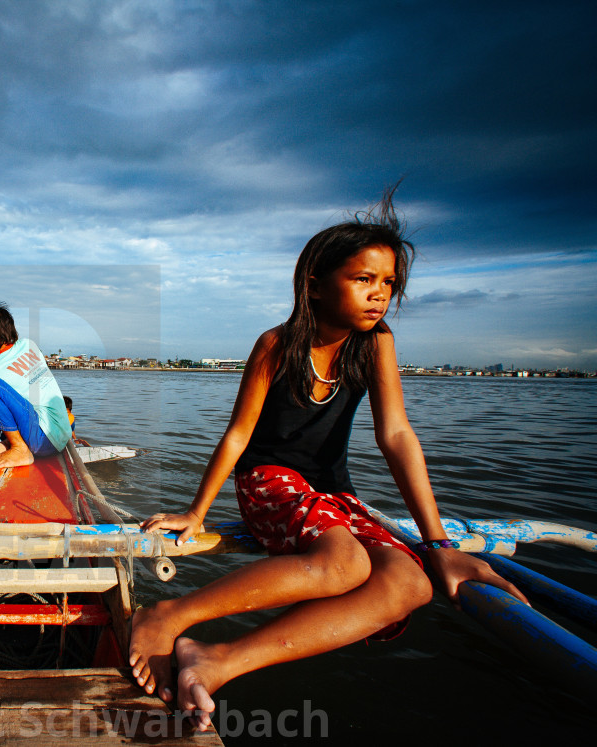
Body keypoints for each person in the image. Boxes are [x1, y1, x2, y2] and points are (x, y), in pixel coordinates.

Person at [128, 188, 528, 731]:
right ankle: (172, 612)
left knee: (411, 584)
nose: (378, 295)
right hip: (268, 479)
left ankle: (218, 659)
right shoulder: (278, 343)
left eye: (388, 283)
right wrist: (197, 512)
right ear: (314, 282)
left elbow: (397, 436)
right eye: (363, 279)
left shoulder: (377, 343)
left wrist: (438, 547)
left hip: (331, 492)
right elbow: (238, 436)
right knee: (347, 564)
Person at [0, 302, 71, 468]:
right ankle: (10, 444)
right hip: (63, 433)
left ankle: (19, 449)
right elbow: (7, 361)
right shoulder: (29, 345)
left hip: (44, 441)